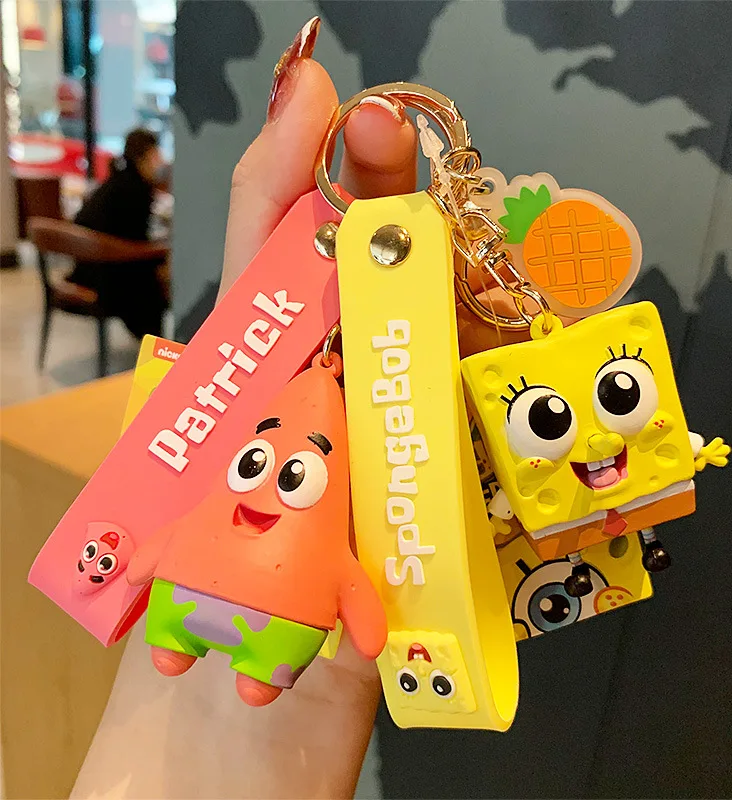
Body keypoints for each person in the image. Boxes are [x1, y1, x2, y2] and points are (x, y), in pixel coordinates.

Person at [69, 18, 523, 800]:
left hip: (268, 648)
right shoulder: (225, 489)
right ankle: (189, 657)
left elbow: (355, 601)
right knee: (192, 650)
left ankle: (221, 669)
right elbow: (347, 606)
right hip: (210, 621)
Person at [67, 128, 168, 338]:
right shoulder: (135, 190)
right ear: (146, 156)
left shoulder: (117, 181)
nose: (161, 160)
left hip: (88, 268)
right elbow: (135, 240)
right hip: (109, 278)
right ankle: (160, 342)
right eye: (157, 154)